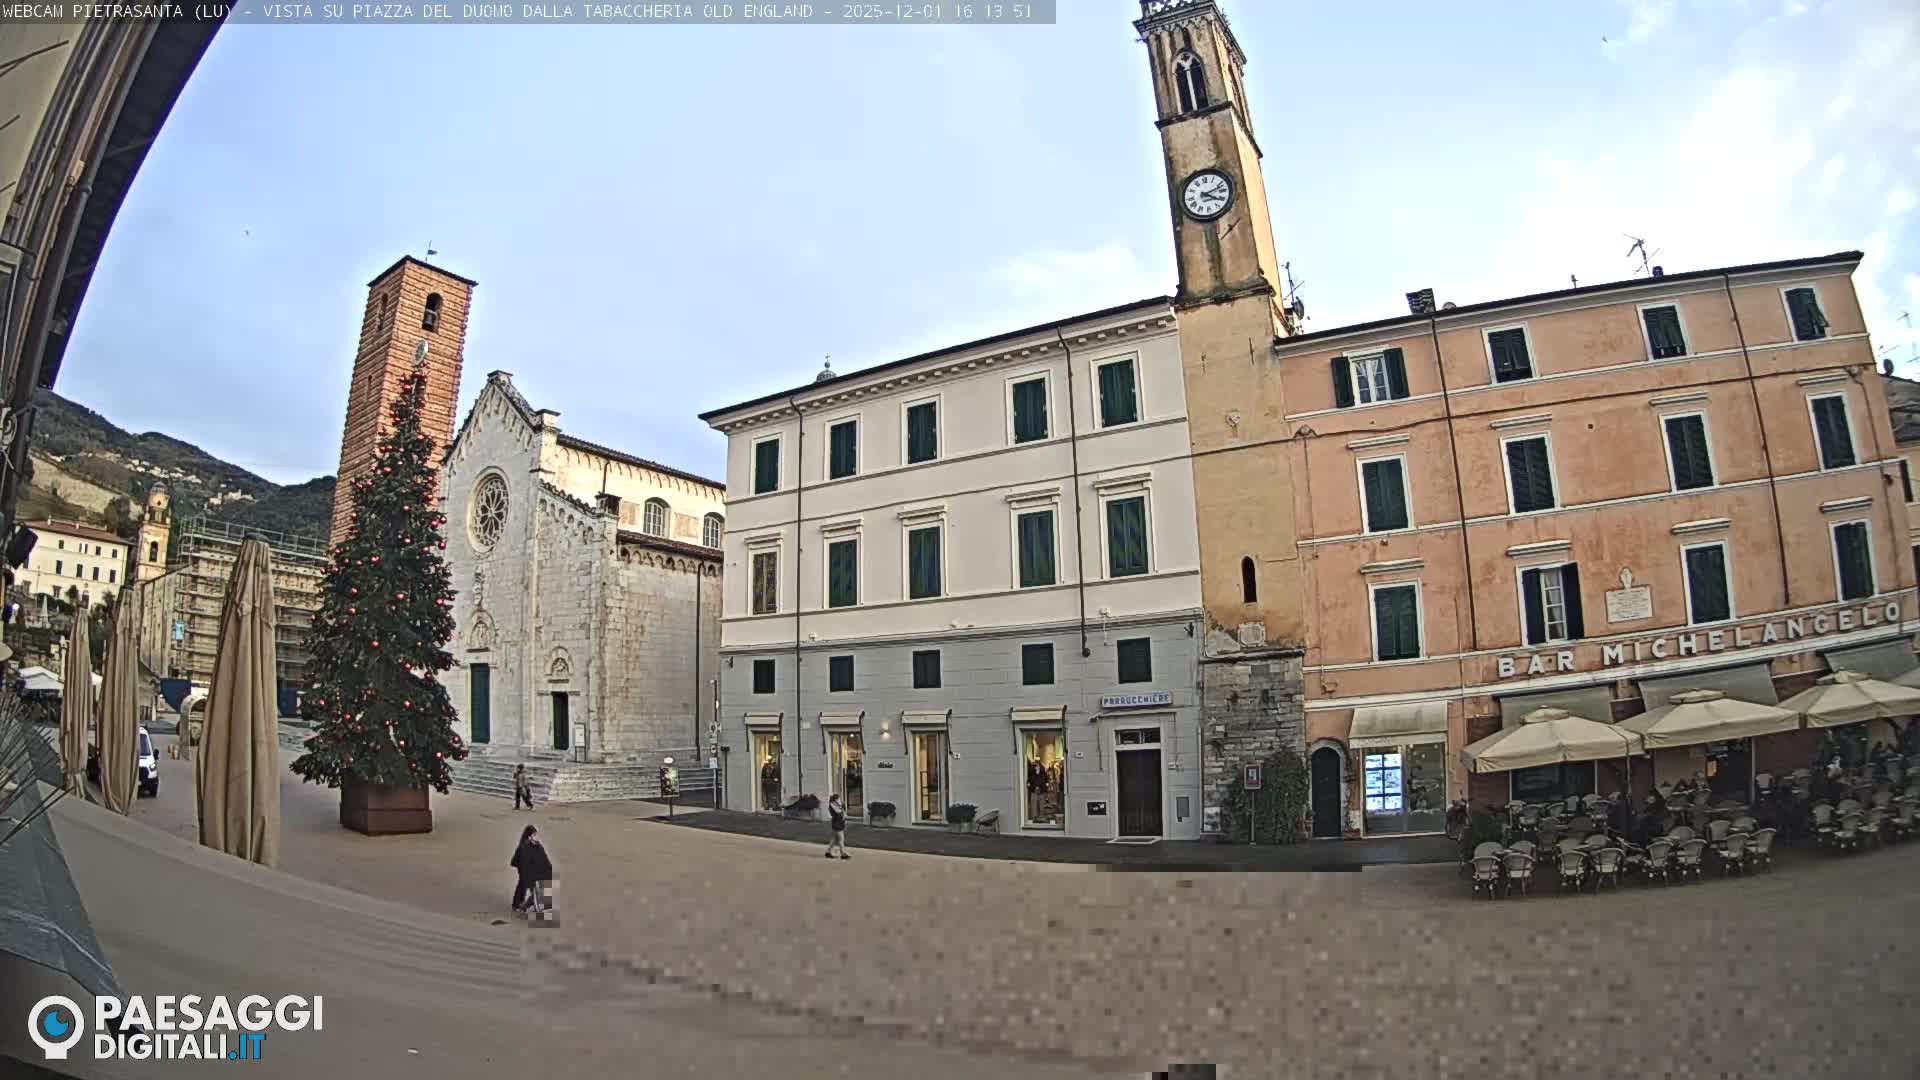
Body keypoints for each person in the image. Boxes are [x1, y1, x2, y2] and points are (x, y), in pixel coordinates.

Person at [509, 824, 554, 916]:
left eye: (536, 834)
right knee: (524, 886)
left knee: (535, 887)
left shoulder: (537, 845)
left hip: (536, 871)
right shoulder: (524, 847)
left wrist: (548, 868)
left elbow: (543, 858)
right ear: (529, 836)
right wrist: (526, 875)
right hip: (528, 872)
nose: (536, 837)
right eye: (534, 835)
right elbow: (523, 863)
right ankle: (520, 905)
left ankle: (526, 905)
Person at [825, 793, 849, 860]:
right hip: (837, 824)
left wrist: (842, 806)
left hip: (838, 823)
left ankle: (828, 852)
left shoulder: (837, 805)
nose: (839, 800)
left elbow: (843, 811)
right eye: (838, 798)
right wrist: (841, 809)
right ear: (835, 799)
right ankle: (843, 853)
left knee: (833, 839)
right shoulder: (833, 805)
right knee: (841, 839)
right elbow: (838, 813)